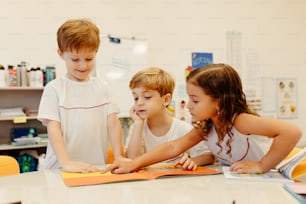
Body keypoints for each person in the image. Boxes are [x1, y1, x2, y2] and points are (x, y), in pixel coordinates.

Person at [103, 63, 302, 174]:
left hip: (265, 182)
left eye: (195, 100)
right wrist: (134, 163)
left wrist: (261, 165)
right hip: (239, 182)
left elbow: (292, 132)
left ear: (219, 101)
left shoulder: (241, 121)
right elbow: (173, 147)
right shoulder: (207, 127)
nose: (188, 105)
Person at [38, 19, 123, 173]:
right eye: (75, 60)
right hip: (60, 169)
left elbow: (113, 124)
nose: (83, 66)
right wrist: (67, 162)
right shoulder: (54, 89)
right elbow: (53, 128)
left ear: (96, 52)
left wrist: (119, 157)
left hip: (94, 168)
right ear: (61, 54)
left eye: (89, 59)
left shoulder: (102, 87)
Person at [125, 67, 213, 169]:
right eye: (136, 98)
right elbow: (132, 161)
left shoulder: (183, 129)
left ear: (166, 100)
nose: (139, 103)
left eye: (147, 97)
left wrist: (193, 161)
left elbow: (208, 155)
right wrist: (138, 124)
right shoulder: (137, 128)